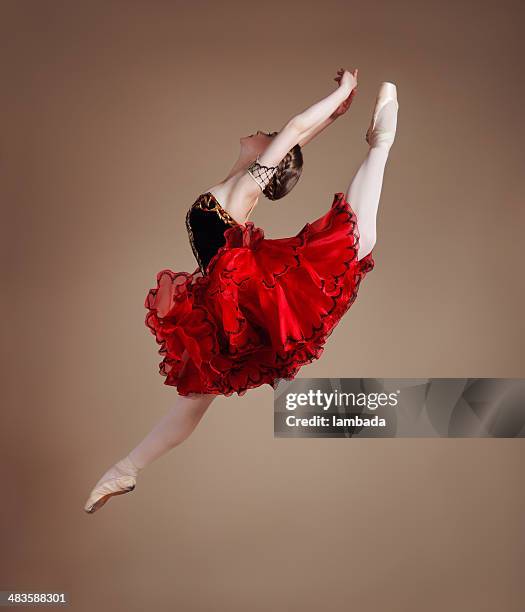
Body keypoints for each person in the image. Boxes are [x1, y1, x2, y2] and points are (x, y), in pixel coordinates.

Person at [84, 69, 399, 514]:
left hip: (237, 290)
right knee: (194, 399)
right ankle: (126, 468)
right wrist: (331, 118)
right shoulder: (238, 184)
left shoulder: (241, 191)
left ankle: (380, 142)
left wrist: (341, 92)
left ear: (269, 164)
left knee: (348, 242)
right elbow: (294, 137)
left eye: (267, 137)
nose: (261, 132)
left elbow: (291, 131)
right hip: (220, 301)